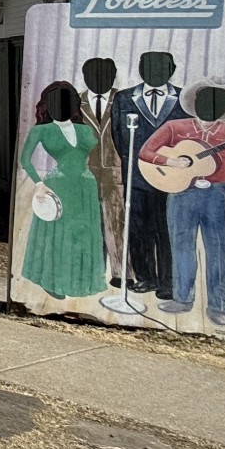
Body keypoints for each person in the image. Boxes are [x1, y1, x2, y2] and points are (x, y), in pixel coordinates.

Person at [141, 80, 225, 328]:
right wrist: (170, 162)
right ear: (195, 103)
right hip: (182, 191)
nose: (210, 106)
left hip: (219, 195)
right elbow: (146, 151)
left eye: (218, 102)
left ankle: (219, 305)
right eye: (205, 100)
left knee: (219, 250)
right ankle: (182, 299)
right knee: (181, 246)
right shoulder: (175, 127)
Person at [19, 80, 108, 299]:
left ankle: (80, 281)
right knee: (59, 235)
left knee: (84, 233)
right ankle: (54, 281)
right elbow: (25, 160)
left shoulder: (85, 129)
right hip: (58, 187)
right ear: (47, 105)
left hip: (85, 187)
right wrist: (39, 185)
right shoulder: (41, 130)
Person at [110, 51, 184, 304]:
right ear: (140, 69)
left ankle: (168, 282)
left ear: (171, 70)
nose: (153, 72)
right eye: (147, 66)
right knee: (139, 227)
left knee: (167, 229)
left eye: (161, 67)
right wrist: (133, 163)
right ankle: (145, 276)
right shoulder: (124, 98)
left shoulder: (184, 99)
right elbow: (118, 135)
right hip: (137, 174)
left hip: (172, 176)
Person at [79, 57, 124, 281]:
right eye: (92, 75)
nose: (98, 80)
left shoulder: (123, 101)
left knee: (117, 222)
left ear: (113, 76)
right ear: (84, 77)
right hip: (86, 172)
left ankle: (120, 272)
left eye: (106, 75)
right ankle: (94, 270)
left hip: (116, 171)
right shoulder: (77, 103)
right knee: (89, 222)